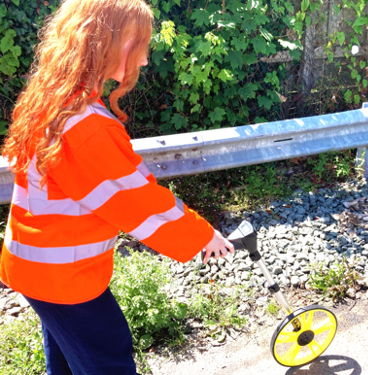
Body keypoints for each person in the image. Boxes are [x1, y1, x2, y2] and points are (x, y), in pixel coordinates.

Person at [0, 0, 234, 374]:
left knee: (65, 359)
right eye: (138, 44)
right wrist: (202, 236)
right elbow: (133, 199)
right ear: (105, 41)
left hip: (39, 264)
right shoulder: (85, 123)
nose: (144, 61)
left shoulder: (57, 100)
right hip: (63, 276)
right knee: (107, 358)